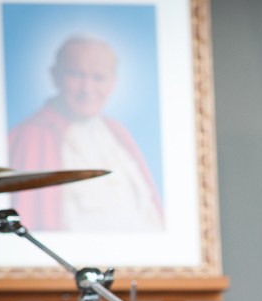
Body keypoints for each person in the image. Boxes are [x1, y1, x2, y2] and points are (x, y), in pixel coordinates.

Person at [9, 35, 164, 232]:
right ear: (55, 76)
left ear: (113, 82)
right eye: (76, 75)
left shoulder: (117, 133)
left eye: (98, 78)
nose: (87, 89)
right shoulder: (32, 137)